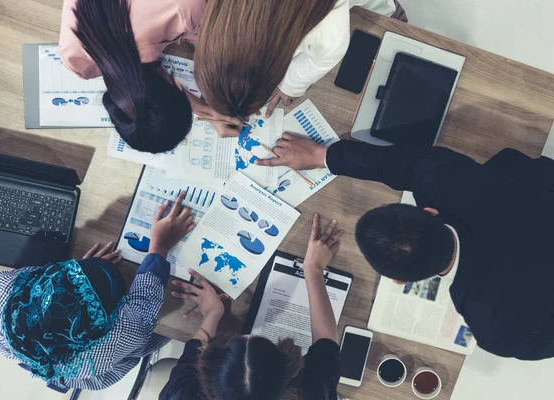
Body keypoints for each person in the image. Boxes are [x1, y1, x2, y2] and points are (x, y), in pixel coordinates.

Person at [256, 133, 554, 361]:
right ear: (429, 213)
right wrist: (323, 155)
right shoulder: (446, 181)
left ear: (402, 281)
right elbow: (402, 163)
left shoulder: (494, 330)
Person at [0, 192, 195, 391]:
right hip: (105, 363)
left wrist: (76, 272)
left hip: (30, 346)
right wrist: (159, 246)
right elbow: (143, 303)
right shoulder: (122, 334)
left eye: (72, 272)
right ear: (111, 317)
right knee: (165, 321)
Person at [159, 214, 345, 399]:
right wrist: (314, 269)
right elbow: (327, 344)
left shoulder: (181, 394)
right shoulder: (315, 393)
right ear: (290, 371)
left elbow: (192, 354)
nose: (248, 333)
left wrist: (213, 313)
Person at [59, 0, 242, 153]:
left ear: (177, 83)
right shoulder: (76, 60)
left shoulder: (185, 9)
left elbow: (206, 33)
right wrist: (205, 109)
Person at [194, 0, 408, 120]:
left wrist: (291, 86)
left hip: (377, 10)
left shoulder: (324, 33)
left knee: (401, 32)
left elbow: (326, 55)